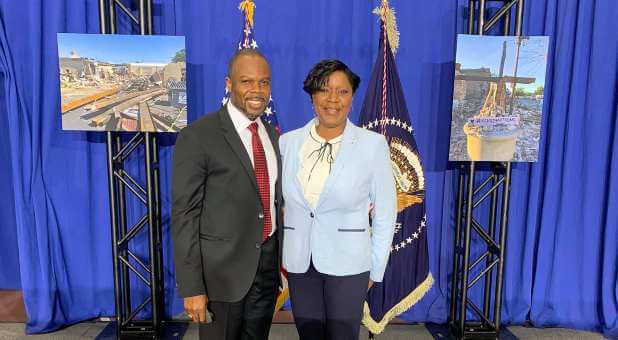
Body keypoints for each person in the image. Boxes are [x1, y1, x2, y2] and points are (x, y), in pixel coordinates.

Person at [279, 59, 397, 340]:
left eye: (342, 91)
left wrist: (375, 268)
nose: (333, 99)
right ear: (312, 96)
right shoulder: (288, 143)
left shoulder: (372, 145)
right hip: (299, 263)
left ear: (352, 97)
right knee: (309, 334)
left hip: (350, 264)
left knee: (342, 335)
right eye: (324, 90)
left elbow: (386, 211)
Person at [171, 48, 282, 340]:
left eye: (264, 82)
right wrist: (192, 287)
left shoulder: (271, 135)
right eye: (247, 81)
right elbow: (184, 216)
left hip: (266, 273)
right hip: (220, 279)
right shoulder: (198, 136)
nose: (257, 90)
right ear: (228, 84)